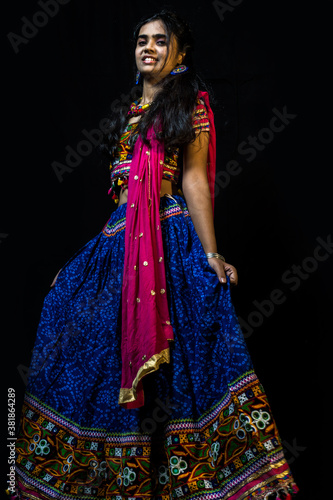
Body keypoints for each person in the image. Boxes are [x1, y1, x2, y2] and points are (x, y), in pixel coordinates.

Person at [12, 9, 298, 500]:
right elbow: (121, 197)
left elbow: (193, 183)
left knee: (180, 361)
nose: (148, 48)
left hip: (166, 240)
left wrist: (211, 253)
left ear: (179, 53)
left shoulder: (189, 109)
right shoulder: (127, 115)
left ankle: (184, 480)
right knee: (80, 329)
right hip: (118, 240)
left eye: (160, 41)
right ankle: (104, 479)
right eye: (142, 40)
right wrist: (86, 255)